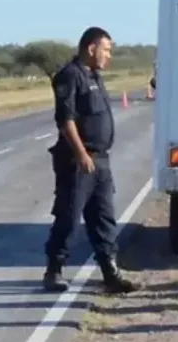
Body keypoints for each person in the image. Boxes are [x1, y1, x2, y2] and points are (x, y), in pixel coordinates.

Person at [42, 26, 140, 294]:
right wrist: (81, 154)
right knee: (69, 216)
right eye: (106, 49)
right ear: (91, 48)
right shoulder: (70, 76)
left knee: (104, 218)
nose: (108, 55)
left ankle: (110, 272)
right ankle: (54, 269)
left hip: (101, 161)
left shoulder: (95, 75)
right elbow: (66, 119)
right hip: (78, 161)